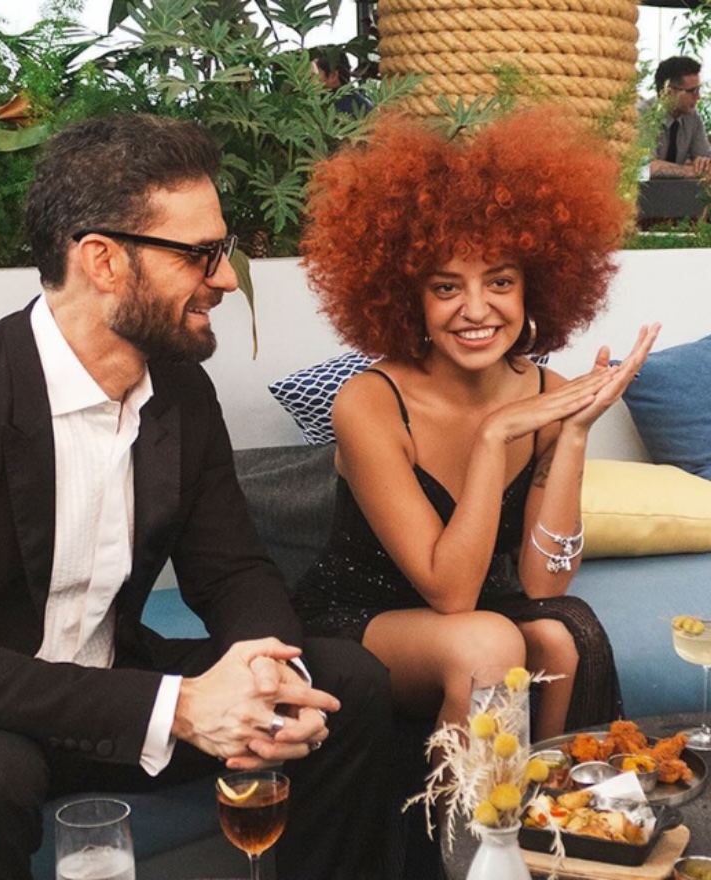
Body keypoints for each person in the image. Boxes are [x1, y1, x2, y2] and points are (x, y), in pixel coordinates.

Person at [0, 113, 392, 880]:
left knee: (346, 685)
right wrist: (182, 708)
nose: (225, 278)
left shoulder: (180, 395)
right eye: (202, 255)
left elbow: (232, 573)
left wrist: (267, 672)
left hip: (113, 688)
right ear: (101, 260)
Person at [292, 106, 660, 745]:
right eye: (445, 287)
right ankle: (471, 844)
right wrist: (495, 437)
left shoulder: (549, 397)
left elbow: (545, 585)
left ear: (534, 289)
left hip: (481, 608)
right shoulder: (369, 400)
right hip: (363, 617)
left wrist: (573, 432)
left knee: (560, 635)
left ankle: (543, 818)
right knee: (489, 639)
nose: (476, 309)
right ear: (408, 295)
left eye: (500, 281)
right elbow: (450, 594)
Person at [649, 55, 711, 179]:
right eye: (692, 91)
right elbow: (645, 168)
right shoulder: (643, 116)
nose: (698, 97)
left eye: (699, 90)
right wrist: (690, 171)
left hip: (678, 194)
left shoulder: (692, 117)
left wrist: (703, 164)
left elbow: (705, 161)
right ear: (668, 92)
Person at [311, 50, 374, 116]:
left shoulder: (330, 108)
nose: (307, 82)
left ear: (333, 75)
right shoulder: (362, 104)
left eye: (312, 75)